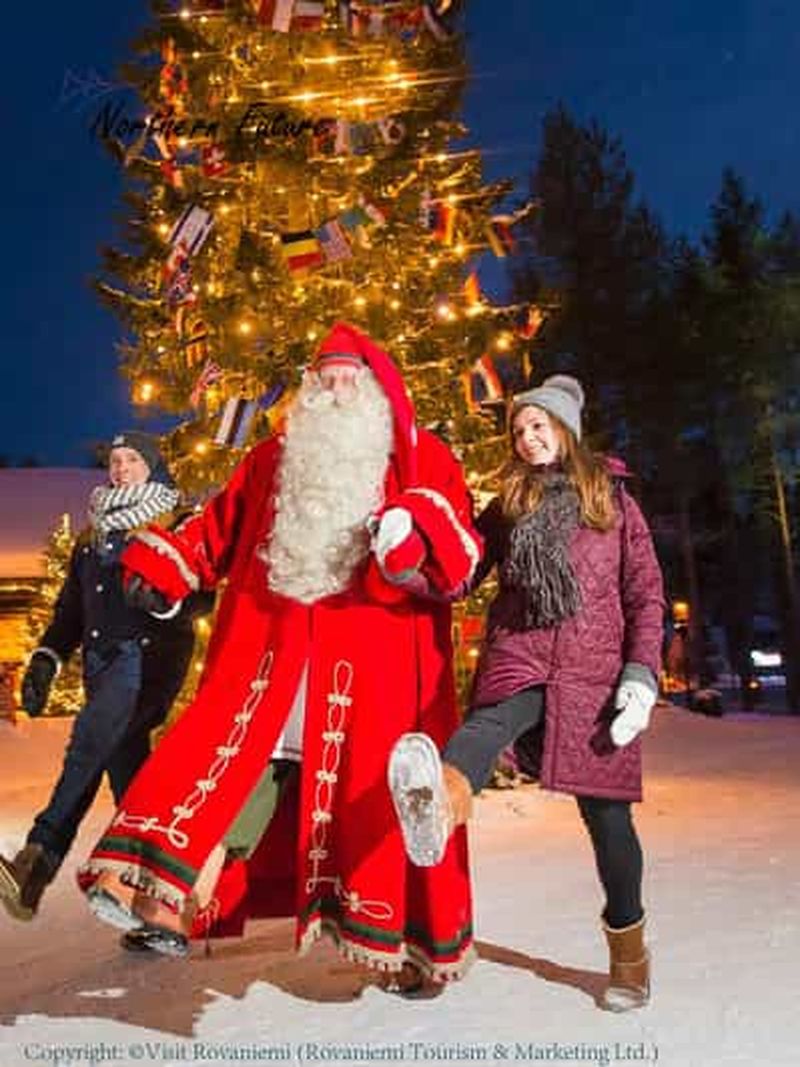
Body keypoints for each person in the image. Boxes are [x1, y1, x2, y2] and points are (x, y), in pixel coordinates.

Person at [77, 323, 482, 993]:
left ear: (377, 386)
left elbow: (458, 553)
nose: (336, 386)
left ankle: (410, 942)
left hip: (372, 672)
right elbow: (216, 526)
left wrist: (414, 535)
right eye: (324, 376)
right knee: (233, 763)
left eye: (350, 374)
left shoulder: (420, 458)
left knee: (376, 802)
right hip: (274, 652)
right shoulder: (272, 457)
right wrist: (170, 566)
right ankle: (165, 895)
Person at [389, 375, 664, 1011]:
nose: (527, 437)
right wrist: (405, 563)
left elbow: (645, 593)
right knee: (486, 725)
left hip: (595, 668)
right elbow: (460, 571)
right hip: (522, 648)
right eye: (518, 430)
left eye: (538, 426)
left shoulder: (611, 498)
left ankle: (629, 956)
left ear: (565, 428)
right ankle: (439, 797)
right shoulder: (508, 501)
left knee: (608, 820)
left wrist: (640, 676)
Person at [0, 432, 210, 924]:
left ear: (151, 466)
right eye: (115, 460)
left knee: (87, 747)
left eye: (132, 459)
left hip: (149, 662)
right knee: (129, 776)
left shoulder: (174, 523)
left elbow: (204, 591)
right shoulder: (92, 537)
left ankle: (36, 861)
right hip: (103, 668)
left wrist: (169, 602)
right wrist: (47, 658)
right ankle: (167, 894)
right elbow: (70, 611)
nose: (120, 468)